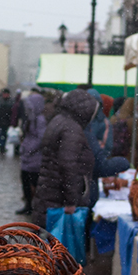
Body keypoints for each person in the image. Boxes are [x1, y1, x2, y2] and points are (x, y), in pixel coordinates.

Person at [32, 89, 97, 228]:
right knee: (56, 243)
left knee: (47, 240)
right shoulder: (71, 129)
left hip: (49, 195)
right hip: (58, 200)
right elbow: (68, 166)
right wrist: (71, 201)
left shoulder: (59, 120)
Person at [16, 92, 47, 215]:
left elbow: (41, 138)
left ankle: (33, 207)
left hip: (35, 158)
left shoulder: (40, 120)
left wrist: (30, 149)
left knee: (33, 183)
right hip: (27, 157)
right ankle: (28, 205)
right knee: (25, 182)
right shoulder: (30, 119)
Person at [0, 88, 14, 154]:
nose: (5, 95)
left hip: (6, 121)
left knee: (4, 134)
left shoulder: (10, 101)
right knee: (1, 134)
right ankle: (1, 147)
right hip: (1, 121)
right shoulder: (0, 101)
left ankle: (2, 146)